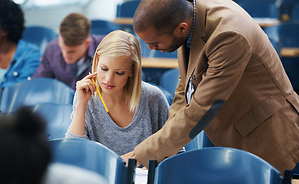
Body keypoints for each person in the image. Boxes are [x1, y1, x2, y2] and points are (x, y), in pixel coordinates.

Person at [121, 0, 299, 175]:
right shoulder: (191, 17)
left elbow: (201, 107)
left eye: (155, 43)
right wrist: (159, 154)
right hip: (233, 132)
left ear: (181, 28)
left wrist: (142, 154)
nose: (150, 48)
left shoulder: (229, 34)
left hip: (270, 138)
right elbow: (187, 87)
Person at [65, 30, 169, 157]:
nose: (108, 79)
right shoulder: (86, 96)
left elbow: (175, 152)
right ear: (97, 61)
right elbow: (75, 151)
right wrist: (81, 104)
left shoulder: (154, 98)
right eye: (104, 68)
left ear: (132, 71)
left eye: (119, 73)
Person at [33, 13, 104, 90]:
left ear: (87, 43)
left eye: (71, 52)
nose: (65, 55)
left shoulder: (105, 49)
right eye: (62, 48)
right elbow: (39, 84)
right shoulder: (52, 49)